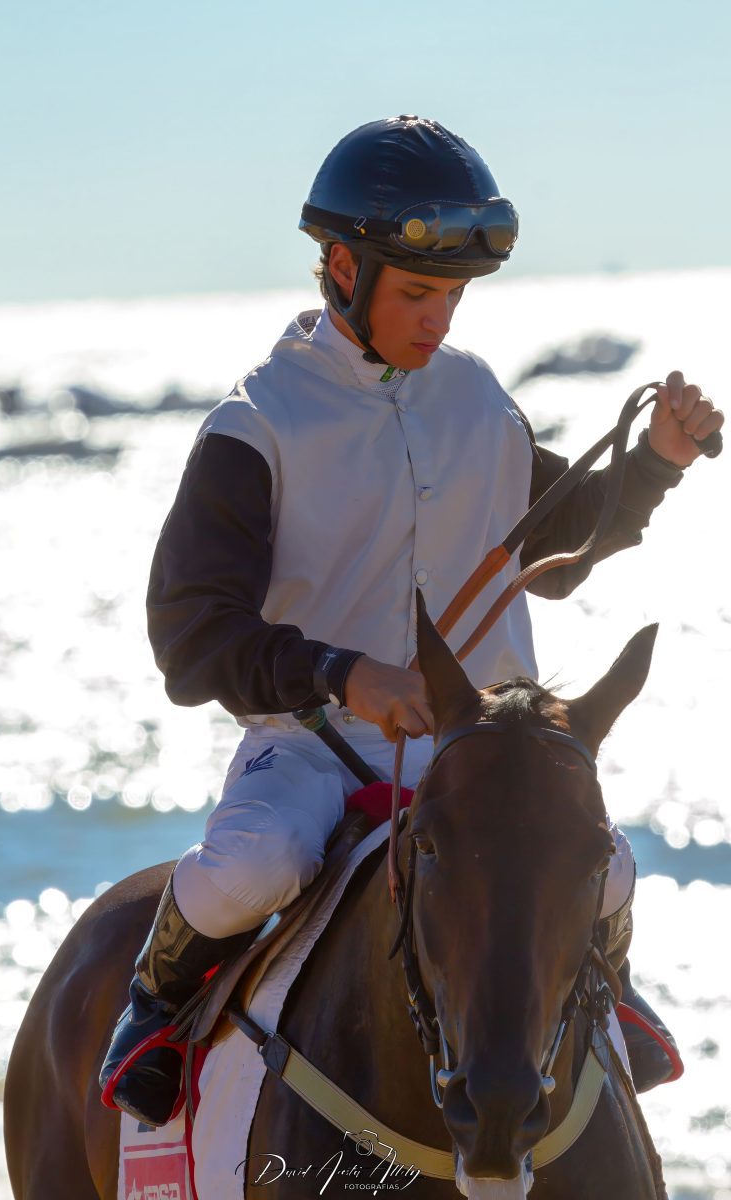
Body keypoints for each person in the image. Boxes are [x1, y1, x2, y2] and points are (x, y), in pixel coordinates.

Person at [99, 116, 723, 1125]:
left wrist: (653, 460)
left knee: (603, 866)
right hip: (311, 746)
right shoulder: (253, 425)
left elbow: (557, 549)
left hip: (474, 747)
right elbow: (188, 638)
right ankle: (155, 1004)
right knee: (247, 871)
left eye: (453, 297)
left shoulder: (475, 397)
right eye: (417, 293)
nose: (438, 320)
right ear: (340, 268)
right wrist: (343, 674)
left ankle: (610, 995)